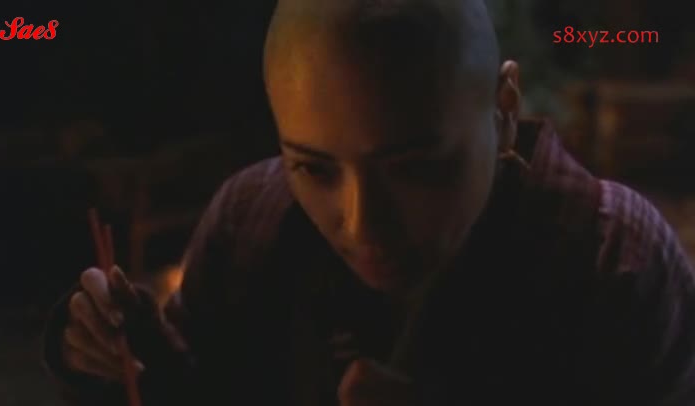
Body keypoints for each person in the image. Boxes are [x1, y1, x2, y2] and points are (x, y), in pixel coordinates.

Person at [42, 0, 695, 405]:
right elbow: (198, 385)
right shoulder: (252, 219)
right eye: (313, 166)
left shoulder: (613, 257)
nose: (363, 225)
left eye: (414, 168)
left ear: (503, 111)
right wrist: (111, 353)